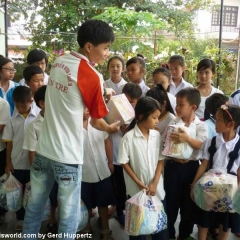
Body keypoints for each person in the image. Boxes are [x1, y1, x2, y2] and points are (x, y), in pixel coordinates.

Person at [21, 19, 120, 240]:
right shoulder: (92, 75)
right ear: (89, 46)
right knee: (69, 216)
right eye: (105, 48)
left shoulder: (58, 62)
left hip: (43, 150)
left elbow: (68, 100)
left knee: (35, 207)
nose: (107, 54)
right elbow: (96, 122)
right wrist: (112, 128)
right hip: (67, 156)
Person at [118, 96, 169, 240]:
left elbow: (160, 160)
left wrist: (154, 183)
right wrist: (138, 182)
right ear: (141, 116)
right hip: (136, 192)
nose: (157, 121)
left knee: (159, 229)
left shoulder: (156, 136)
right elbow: (124, 162)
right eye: (154, 118)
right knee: (138, 229)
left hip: (156, 190)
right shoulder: (128, 138)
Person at [163, 87, 208, 240]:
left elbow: (200, 144)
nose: (177, 107)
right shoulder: (173, 122)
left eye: (181, 104)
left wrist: (187, 138)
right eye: (176, 104)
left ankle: (184, 235)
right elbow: (165, 146)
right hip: (173, 168)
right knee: (170, 204)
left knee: (188, 206)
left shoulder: (201, 125)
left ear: (193, 107)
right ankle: (169, 235)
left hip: (191, 169)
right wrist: (174, 158)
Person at [190, 104, 240, 240]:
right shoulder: (211, 142)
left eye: (218, 120)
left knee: (225, 222)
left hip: (230, 191)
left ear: (230, 124)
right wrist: (194, 184)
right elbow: (204, 164)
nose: (215, 122)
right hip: (208, 189)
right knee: (204, 220)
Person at [22, 86, 58, 235]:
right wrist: (35, 174)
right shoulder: (34, 126)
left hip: (60, 167)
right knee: (39, 201)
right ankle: (47, 221)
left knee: (58, 196)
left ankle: (54, 219)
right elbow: (32, 152)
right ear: (42, 104)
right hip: (42, 170)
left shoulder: (60, 121)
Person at [2, 86, 39, 231]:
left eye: (24, 104)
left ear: (31, 101)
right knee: (18, 193)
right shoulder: (12, 120)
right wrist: (8, 162)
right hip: (16, 162)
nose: (21, 107)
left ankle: (32, 219)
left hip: (34, 164)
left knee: (33, 193)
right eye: (17, 105)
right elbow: (9, 142)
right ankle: (21, 219)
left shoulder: (38, 118)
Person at [109, 82, 142, 226]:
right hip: (115, 156)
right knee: (117, 185)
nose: (129, 105)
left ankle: (129, 211)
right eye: (127, 101)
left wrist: (126, 131)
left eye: (132, 103)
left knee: (127, 186)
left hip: (129, 159)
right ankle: (118, 210)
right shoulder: (112, 107)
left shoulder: (139, 115)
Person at [80, 108, 115, 239]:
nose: (87, 111)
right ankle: (86, 227)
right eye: (83, 108)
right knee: (85, 204)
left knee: (103, 203)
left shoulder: (99, 123)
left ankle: (105, 229)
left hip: (102, 170)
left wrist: (110, 162)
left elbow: (106, 142)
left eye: (89, 107)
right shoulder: (72, 127)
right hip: (84, 173)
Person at [0, 97, 10, 225]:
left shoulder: (3, 103)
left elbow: (1, 127)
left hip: (0, 150)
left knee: (1, 183)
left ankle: (0, 212)